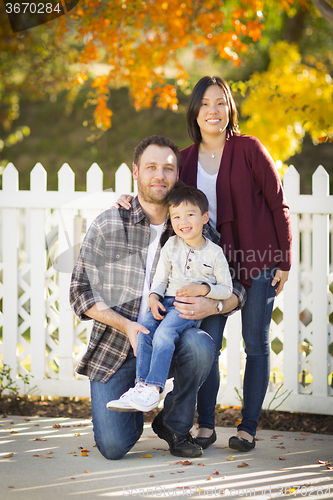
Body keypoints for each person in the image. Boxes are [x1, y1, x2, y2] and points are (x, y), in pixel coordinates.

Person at [116, 76, 292, 452]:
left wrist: (284, 259)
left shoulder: (250, 149)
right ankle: (206, 425)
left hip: (256, 262)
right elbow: (165, 197)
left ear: (230, 109)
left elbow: (279, 204)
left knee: (255, 346)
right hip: (208, 270)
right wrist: (131, 199)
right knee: (208, 346)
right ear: (194, 112)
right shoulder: (187, 158)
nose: (213, 111)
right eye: (205, 104)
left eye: (221, 103)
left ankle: (248, 427)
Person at [70, 135, 246, 460]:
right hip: (117, 348)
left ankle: (173, 424)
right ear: (135, 171)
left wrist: (214, 302)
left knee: (200, 346)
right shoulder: (109, 223)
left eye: (168, 168)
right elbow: (79, 292)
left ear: (177, 175)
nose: (160, 175)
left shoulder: (192, 228)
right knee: (112, 446)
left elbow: (236, 288)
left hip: (171, 337)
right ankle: (136, 405)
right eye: (151, 167)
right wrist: (127, 326)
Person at [107, 184, 232, 413]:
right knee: (145, 331)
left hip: (186, 307)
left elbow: (226, 289)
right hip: (165, 301)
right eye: (176, 217)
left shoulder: (214, 252)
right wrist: (154, 297)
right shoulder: (171, 245)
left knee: (165, 333)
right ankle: (141, 386)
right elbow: (161, 278)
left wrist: (203, 289)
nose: (183, 221)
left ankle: (154, 388)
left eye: (190, 215)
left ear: (205, 218)